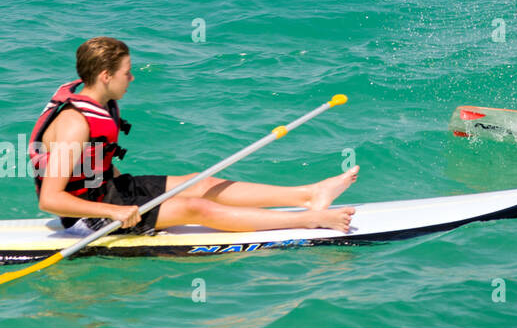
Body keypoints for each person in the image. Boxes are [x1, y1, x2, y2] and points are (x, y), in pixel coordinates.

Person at [30, 37, 357, 235]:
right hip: (86, 216)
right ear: (105, 76)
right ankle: (312, 220)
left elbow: (96, 163)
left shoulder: (102, 104)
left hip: (106, 192)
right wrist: (115, 212)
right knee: (197, 207)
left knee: (200, 183)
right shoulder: (75, 123)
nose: (131, 78)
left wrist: (123, 193)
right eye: (126, 72)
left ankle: (307, 194)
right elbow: (50, 199)